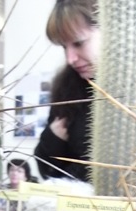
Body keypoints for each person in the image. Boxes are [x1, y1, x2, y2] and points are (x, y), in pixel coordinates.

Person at [34, 0, 99, 183]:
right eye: (64, 46)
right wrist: (53, 139)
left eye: (78, 43)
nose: (70, 59)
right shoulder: (66, 89)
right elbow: (45, 168)